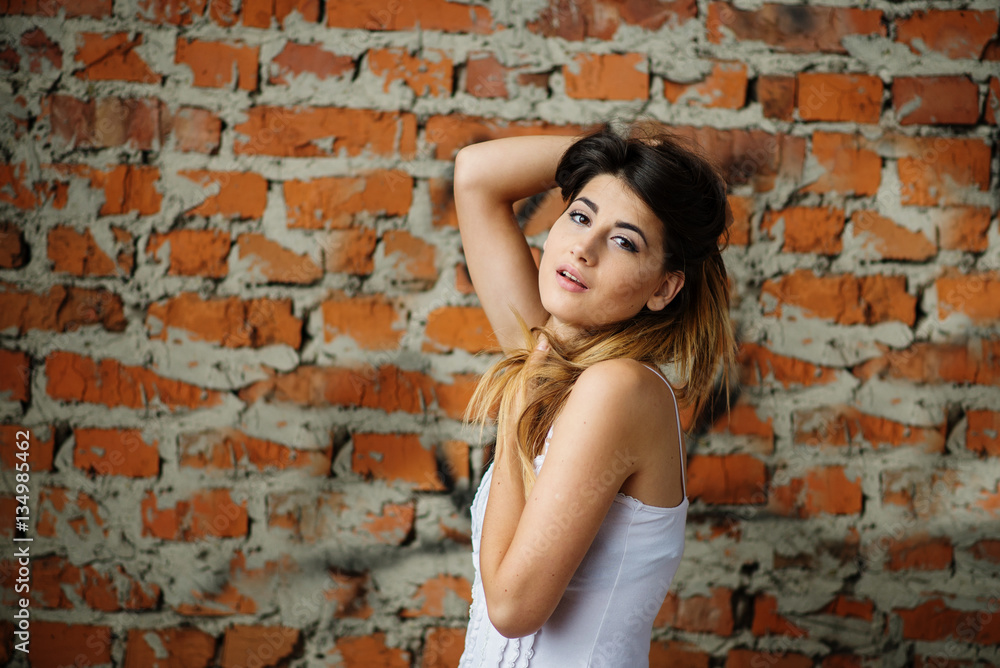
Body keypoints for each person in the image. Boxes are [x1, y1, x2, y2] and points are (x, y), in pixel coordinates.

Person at [453, 120, 735, 667]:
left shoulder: (619, 387)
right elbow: (475, 174)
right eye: (580, 215)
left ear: (663, 287)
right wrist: (629, 158)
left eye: (624, 241)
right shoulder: (556, 360)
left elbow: (512, 608)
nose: (583, 247)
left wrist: (522, 389)